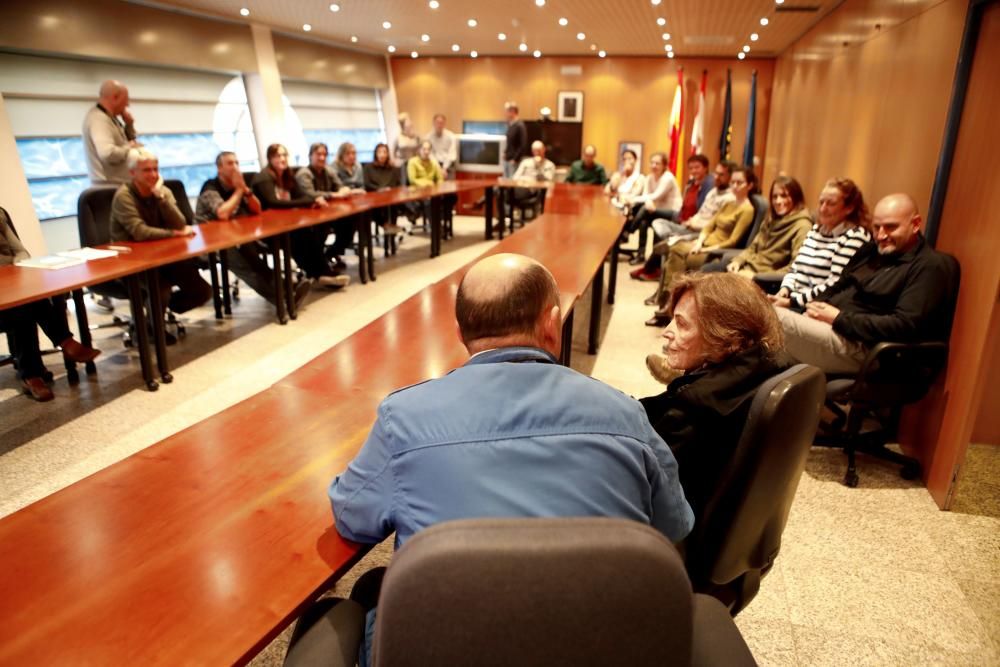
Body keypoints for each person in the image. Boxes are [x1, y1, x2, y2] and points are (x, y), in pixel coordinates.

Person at [328, 253, 694, 665]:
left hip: (444, 649)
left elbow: (351, 516)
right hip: (598, 648)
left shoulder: (404, 419)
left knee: (367, 592)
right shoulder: (626, 415)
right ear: (552, 324)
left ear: (460, 331)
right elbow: (672, 526)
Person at [641, 272, 791, 516]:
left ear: (721, 335)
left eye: (681, 324)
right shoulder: (769, 368)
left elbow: (639, 488)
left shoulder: (691, 413)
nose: (666, 332)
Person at [776, 193, 958, 375]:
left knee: (772, 317)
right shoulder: (870, 251)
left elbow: (903, 326)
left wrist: (838, 318)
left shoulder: (929, 265)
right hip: (829, 329)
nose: (881, 235)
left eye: (891, 227)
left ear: (916, 224)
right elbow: (838, 285)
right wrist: (814, 308)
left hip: (868, 349)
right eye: (876, 227)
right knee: (764, 341)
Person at [1, 207, 100, 402]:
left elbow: (20, 251)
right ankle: (62, 345)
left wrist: (17, 270)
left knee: (29, 298)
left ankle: (33, 373)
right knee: (25, 307)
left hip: (9, 284)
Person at [645, 166, 759, 326]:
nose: (735, 186)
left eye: (739, 182)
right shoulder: (729, 203)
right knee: (675, 250)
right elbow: (709, 226)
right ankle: (668, 302)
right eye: (733, 182)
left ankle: (668, 302)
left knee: (676, 252)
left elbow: (733, 241)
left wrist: (704, 248)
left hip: (716, 251)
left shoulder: (748, 209)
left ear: (750, 185)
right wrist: (698, 242)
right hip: (703, 243)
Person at [195, 151, 311, 309]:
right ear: (219, 168)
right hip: (211, 243)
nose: (235, 167)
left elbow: (257, 209)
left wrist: (245, 189)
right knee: (244, 264)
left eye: (237, 163)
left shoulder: (238, 186)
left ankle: (287, 288)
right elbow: (223, 214)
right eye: (230, 164)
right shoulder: (211, 188)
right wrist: (239, 190)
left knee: (255, 258)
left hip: (235, 236)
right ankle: (282, 299)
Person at [110, 148, 213, 322]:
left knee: (202, 291)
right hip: (132, 262)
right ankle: (149, 331)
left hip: (163, 256)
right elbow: (140, 232)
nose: (153, 175)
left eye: (155, 169)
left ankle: (162, 312)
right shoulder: (124, 196)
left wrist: (161, 198)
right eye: (146, 170)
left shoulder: (162, 191)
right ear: (132, 173)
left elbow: (180, 222)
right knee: (160, 290)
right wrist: (174, 234)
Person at [251, 143, 349, 288]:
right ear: (270, 158)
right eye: (278, 156)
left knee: (309, 231)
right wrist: (306, 201)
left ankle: (322, 272)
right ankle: (319, 273)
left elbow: (302, 196)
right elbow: (274, 203)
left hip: (288, 224)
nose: (282, 159)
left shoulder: (287, 175)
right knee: (301, 235)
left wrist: (311, 201)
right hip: (267, 230)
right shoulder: (263, 178)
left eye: (284, 155)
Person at [771, 178, 871, 311]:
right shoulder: (816, 230)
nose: (823, 208)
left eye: (831, 204)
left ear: (849, 208)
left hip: (815, 307)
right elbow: (795, 269)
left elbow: (834, 285)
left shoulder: (855, 236)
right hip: (791, 300)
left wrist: (791, 302)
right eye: (821, 202)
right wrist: (784, 290)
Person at [630, 159, 734, 279]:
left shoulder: (728, 198)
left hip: (698, 231)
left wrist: (694, 225)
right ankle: (655, 258)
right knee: (655, 222)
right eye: (716, 173)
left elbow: (713, 224)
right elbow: (700, 213)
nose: (717, 177)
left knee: (652, 220)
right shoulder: (712, 191)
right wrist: (691, 220)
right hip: (687, 222)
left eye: (721, 175)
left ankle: (651, 262)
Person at [704, 175, 812, 278]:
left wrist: (757, 277)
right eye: (775, 197)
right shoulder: (771, 219)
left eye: (784, 196)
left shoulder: (802, 226)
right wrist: (738, 261)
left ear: (796, 197)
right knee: (707, 270)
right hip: (746, 269)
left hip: (763, 279)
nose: (778, 201)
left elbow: (795, 268)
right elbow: (753, 248)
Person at [296, 142, 355, 272]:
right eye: (318, 154)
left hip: (330, 212)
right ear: (310, 156)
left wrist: (344, 189)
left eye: (324, 154)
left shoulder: (328, 170)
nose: (322, 157)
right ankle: (318, 266)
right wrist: (335, 195)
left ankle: (329, 255)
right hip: (310, 216)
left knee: (349, 223)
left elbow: (339, 186)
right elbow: (310, 194)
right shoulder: (304, 173)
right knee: (317, 232)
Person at [621, 152, 682, 265]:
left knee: (644, 209)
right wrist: (647, 202)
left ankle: (628, 232)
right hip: (655, 210)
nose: (654, 165)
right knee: (643, 222)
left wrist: (634, 199)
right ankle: (641, 254)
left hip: (672, 212)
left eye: (657, 163)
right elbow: (646, 196)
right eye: (652, 163)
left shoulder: (668, 178)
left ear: (664, 165)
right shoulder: (649, 178)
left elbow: (655, 196)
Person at [82, 79, 140, 185]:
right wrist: (129, 147)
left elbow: (127, 142)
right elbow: (107, 154)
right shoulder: (98, 119)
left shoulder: (111, 117)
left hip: (119, 184)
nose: (128, 104)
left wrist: (129, 125)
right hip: (108, 187)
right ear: (115, 97)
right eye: (125, 100)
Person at [363, 142, 401, 232]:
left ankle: (392, 226)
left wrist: (388, 190)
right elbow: (367, 184)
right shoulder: (368, 167)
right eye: (379, 152)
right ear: (375, 154)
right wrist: (379, 189)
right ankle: (385, 224)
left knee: (395, 203)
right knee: (376, 207)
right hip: (374, 197)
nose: (382, 155)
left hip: (390, 196)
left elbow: (397, 183)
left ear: (388, 154)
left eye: (384, 152)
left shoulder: (392, 168)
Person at [511, 140, 555, 216]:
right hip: (520, 187)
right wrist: (526, 179)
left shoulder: (549, 165)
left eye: (539, 150)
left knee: (504, 193)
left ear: (544, 150)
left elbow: (549, 181)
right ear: (532, 151)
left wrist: (538, 168)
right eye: (535, 151)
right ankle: (502, 220)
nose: (537, 153)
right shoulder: (526, 162)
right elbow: (515, 177)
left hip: (533, 192)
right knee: (498, 191)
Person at [425, 113, 457, 180]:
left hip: (448, 166)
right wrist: (439, 168)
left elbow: (452, 153)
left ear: (444, 124)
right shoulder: (428, 137)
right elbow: (430, 154)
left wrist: (444, 168)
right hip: (434, 165)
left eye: (441, 123)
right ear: (433, 123)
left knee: (450, 188)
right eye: (437, 122)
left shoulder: (451, 136)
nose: (439, 125)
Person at [503, 101, 528, 178]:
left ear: (513, 111)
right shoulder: (510, 124)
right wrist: (505, 153)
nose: (505, 113)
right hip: (507, 159)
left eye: (507, 111)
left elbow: (523, 144)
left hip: (514, 161)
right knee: (505, 183)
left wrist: (515, 159)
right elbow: (509, 143)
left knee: (512, 183)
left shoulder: (520, 126)